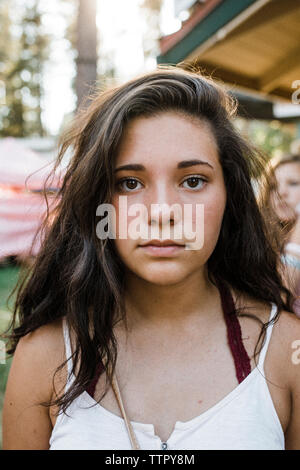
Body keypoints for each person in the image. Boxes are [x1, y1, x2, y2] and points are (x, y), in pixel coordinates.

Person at [2, 66, 300, 450]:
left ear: (230, 198)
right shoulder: (45, 354)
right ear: (97, 203)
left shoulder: (285, 350)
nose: (161, 212)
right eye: (129, 183)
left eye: (193, 180)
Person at [267, 154, 300, 316]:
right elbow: (280, 301)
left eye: (293, 183)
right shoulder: (261, 243)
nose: (281, 192)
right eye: (273, 186)